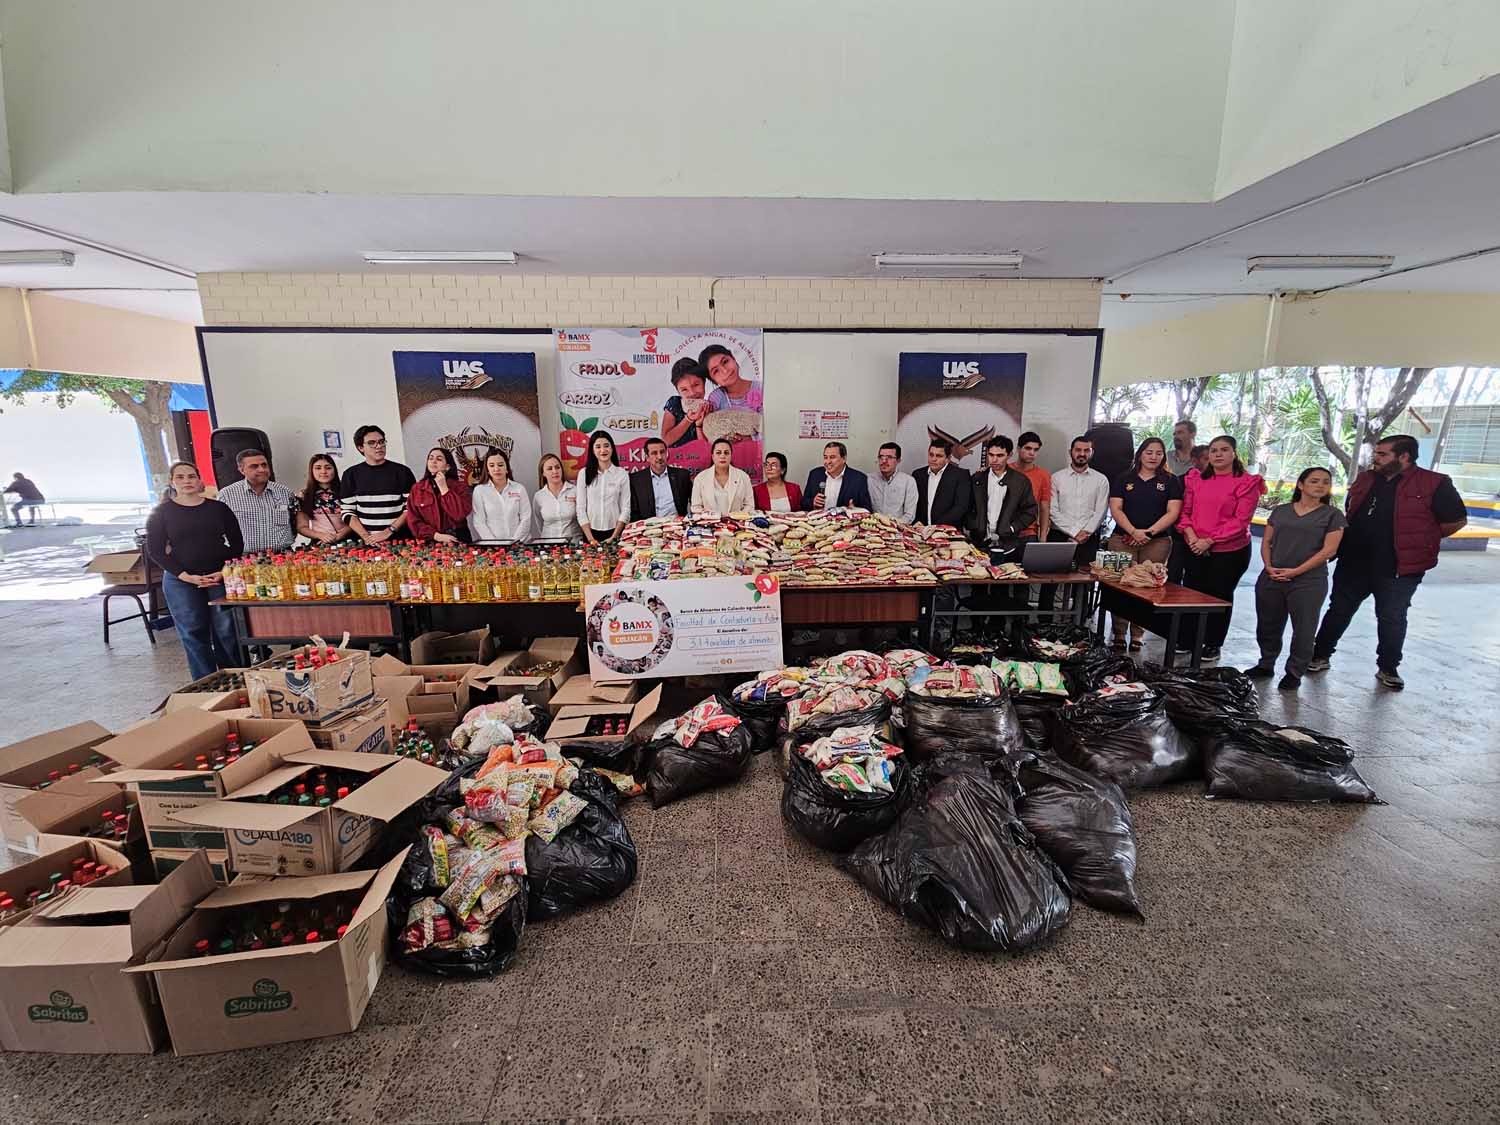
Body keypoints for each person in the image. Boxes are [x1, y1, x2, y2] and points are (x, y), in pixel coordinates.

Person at [1308, 434, 1467, 689]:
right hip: (1354, 562)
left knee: (1391, 616)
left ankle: (1388, 668)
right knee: (1338, 610)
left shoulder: (1433, 483)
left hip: (1398, 568)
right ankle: (1320, 655)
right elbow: (1352, 508)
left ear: (1403, 457)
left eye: (1382, 454)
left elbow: (1457, 520)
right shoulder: (1367, 478)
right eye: (1376, 453)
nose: (1376, 458)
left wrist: (1422, 539)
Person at [1246, 467, 1346, 691]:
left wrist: (1296, 571)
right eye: (1314, 481)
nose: (1320, 485)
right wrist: (1269, 566)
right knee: (1268, 624)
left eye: (1325, 482)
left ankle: (1294, 672)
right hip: (1272, 576)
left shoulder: (1332, 515)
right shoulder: (1281, 511)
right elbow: (1266, 542)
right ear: (1300, 485)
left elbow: (1328, 551)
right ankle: (1266, 663)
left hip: (1308, 581)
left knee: (1304, 628)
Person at [144, 461, 243, 680]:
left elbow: (237, 543)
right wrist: (185, 576)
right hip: (182, 580)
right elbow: (156, 550)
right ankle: (206, 682)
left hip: (219, 577)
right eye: (180, 477)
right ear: (172, 482)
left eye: (191, 476)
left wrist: (224, 570)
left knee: (227, 631)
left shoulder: (218, 508)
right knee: (193, 631)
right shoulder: (162, 512)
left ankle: (236, 677)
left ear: (199, 480)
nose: (187, 481)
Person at [1177, 434, 1266, 662]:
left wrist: (1209, 540)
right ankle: (1187, 639)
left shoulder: (1246, 482)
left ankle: (1213, 642)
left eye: (1224, 450)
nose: (1218, 454)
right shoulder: (1196, 479)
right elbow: (1186, 512)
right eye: (1214, 450)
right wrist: (1192, 536)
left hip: (1229, 551)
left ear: (1234, 454)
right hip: (1194, 544)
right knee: (1191, 592)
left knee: (1219, 596)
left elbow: (1240, 520)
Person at [1106, 437, 1184, 651]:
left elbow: (1173, 512)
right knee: (1120, 585)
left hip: (1157, 541)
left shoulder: (1171, 481)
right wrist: (1132, 531)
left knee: (1149, 587)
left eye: (1158, 453)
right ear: (1140, 454)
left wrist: (1148, 533)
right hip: (1122, 539)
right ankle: (1119, 633)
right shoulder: (1124, 478)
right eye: (1149, 452)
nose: (1153, 457)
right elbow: (1116, 508)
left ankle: (1138, 634)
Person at [967, 435, 1038, 620]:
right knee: (978, 590)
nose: (995, 460)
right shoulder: (978, 478)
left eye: (1000, 455)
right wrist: (974, 526)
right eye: (991, 455)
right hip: (980, 544)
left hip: (1008, 545)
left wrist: (1013, 528)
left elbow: (1030, 511)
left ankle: (997, 632)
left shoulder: (1020, 481)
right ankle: (977, 631)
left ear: (1009, 455)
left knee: (1002, 591)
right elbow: (968, 508)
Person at [341, 425, 416, 543]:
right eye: (372, 443)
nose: (379, 446)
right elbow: (347, 512)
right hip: (365, 542)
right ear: (360, 447)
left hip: (399, 539)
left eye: (381, 442)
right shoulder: (350, 474)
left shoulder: (402, 472)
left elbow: (411, 507)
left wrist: (389, 531)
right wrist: (366, 537)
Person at [217, 449, 296, 553]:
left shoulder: (285, 492)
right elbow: (218, 529)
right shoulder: (226, 495)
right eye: (254, 466)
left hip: (283, 558)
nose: (262, 469)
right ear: (241, 470)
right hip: (245, 559)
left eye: (264, 465)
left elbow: (295, 523)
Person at [407, 447, 473, 543]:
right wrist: (436, 536)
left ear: (448, 466)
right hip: (430, 540)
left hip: (457, 539)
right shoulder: (417, 489)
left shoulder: (460, 487)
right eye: (431, 458)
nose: (434, 461)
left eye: (439, 459)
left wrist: (444, 488)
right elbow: (413, 520)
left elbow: (459, 514)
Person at [468, 447, 532, 542]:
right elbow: (479, 522)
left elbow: (526, 518)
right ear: (487, 469)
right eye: (492, 465)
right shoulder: (480, 491)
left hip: (520, 544)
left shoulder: (519, 488)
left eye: (500, 465)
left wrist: (514, 541)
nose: (496, 469)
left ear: (507, 467)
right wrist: (494, 543)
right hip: (494, 547)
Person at [578, 430, 631, 544]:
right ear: (592, 450)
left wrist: (614, 537)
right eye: (598, 446)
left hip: (615, 532)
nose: (603, 450)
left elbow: (626, 508)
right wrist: (590, 539)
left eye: (606, 446)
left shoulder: (621, 474)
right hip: (590, 533)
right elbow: (580, 509)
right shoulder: (584, 473)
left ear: (612, 448)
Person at [629, 437, 692, 520]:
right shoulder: (636, 480)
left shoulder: (682, 476)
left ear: (667, 454)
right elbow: (634, 512)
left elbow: (694, 502)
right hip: (649, 527)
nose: (659, 457)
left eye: (662, 452)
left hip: (677, 525)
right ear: (647, 457)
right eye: (654, 453)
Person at [296, 454, 353, 545]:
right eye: (318, 468)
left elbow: (356, 518)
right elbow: (302, 527)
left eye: (328, 468)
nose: (323, 471)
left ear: (334, 470)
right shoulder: (303, 495)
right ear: (311, 471)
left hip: (348, 541)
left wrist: (341, 534)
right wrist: (320, 535)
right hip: (320, 543)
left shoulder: (346, 491)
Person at [913, 439, 971, 527]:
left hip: (947, 532)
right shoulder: (918, 475)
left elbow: (960, 507)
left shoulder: (961, 476)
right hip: (921, 530)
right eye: (931, 455)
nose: (933, 459)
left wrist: (936, 526)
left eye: (939, 456)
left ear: (948, 458)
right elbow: (913, 503)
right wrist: (917, 521)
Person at [802, 442, 873, 511]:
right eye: (825, 457)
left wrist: (855, 510)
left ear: (844, 459)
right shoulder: (815, 474)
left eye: (832, 457)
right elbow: (803, 503)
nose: (828, 461)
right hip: (819, 521)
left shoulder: (859, 479)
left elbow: (867, 509)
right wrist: (812, 502)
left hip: (845, 522)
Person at [691, 438, 754, 515]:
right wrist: (710, 517)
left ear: (731, 456)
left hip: (737, 523)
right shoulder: (700, 478)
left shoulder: (743, 477)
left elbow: (749, 505)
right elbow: (696, 507)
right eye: (718, 453)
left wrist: (738, 517)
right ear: (712, 456)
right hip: (710, 524)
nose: (722, 456)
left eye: (726, 453)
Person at [700, 345, 763, 419]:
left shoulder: (761, 388)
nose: (725, 371)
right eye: (716, 371)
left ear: (733, 358)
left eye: (725, 362)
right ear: (712, 380)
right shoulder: (716, 398)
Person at [661, 359, 712, 448]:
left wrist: (699, 425)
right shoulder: (674, 403)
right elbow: (666, 441)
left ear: (704, 382)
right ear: (678, 391)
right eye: (684, 389)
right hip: (676, 457)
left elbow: (706, 447)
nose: (692, 393)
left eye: (696, 385)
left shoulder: (709, 407)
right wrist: (688, 419)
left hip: (698, 457)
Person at [1013, 432, 1051, 543]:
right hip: (1004, 532)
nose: (1032, 453)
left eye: (1036, 450)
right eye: (1028, 448)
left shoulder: (1043, 475)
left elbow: (1044, 508)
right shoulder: (1005, 469)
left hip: (1029, 533)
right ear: (1019, 449)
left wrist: (1043, 537)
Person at [533, 453, 581, 540]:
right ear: (543, 473)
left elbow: (582, 517)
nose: (555, 471)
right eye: (549, 469)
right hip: (549, 546)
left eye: (557, 467)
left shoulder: (575, 491)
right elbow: (539, 521)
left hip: (574, 544)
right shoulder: (539, 496)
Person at [869, 442, 918, 524]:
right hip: (872, 528)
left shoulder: (908, 482)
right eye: (881, 457)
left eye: (889, 457)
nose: (884, 461)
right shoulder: (868, 479)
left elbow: (909, 515)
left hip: (898, 529)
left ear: (898, 460)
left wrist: (892, 526)